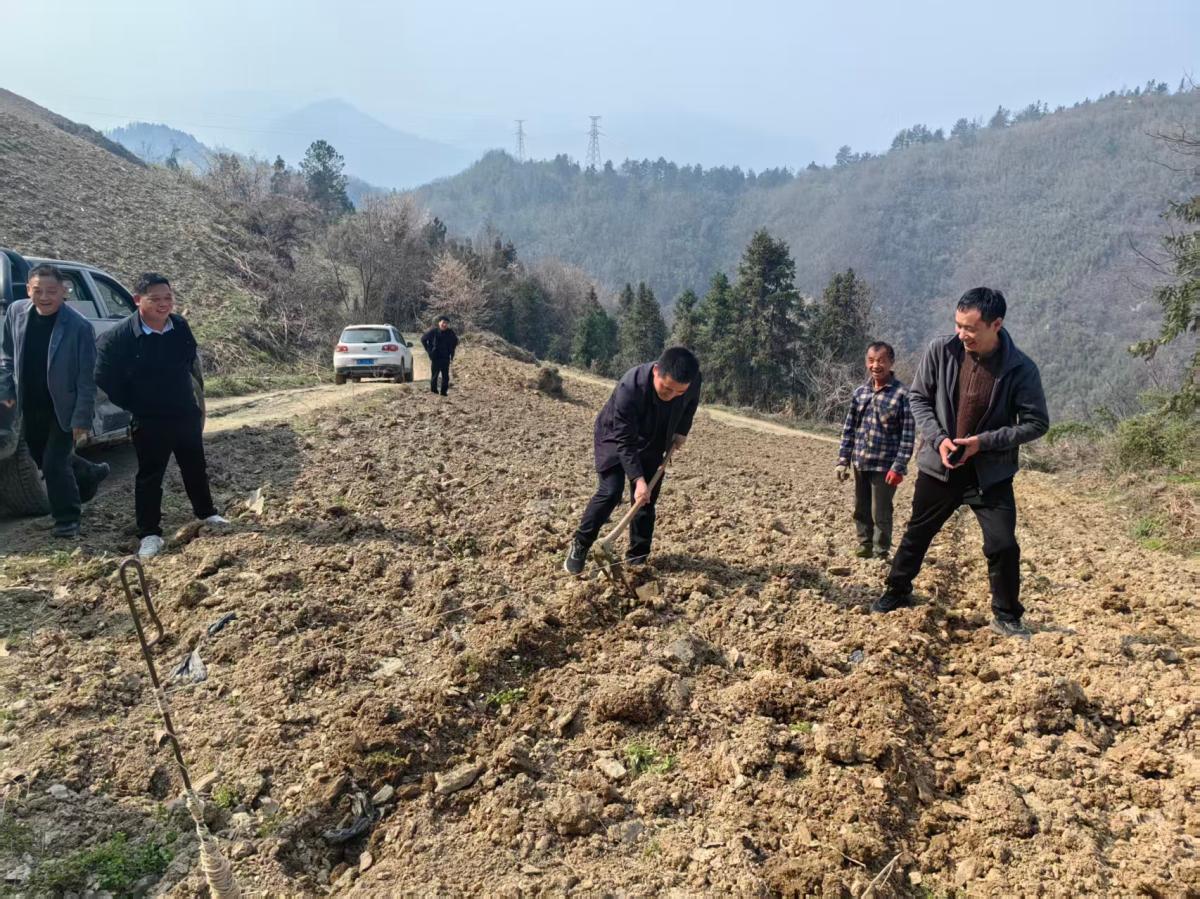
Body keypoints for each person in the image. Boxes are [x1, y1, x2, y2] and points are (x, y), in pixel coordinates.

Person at [873, 288, 1049, 638]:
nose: (961, 334)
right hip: (941, 466)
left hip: (990, 473)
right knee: (918, 533)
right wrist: (939, 440)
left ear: (996, 325)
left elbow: (1036, 423)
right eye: (958, 325)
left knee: (1003, 545)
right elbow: (919, 399)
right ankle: (897, 589)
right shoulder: (941, 350)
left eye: (970, 328)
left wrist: (982, 443)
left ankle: (1007, 616)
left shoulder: (1020, 368)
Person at [95, 272, 227, 558]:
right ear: (137, 300)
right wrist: (136, 403)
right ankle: (149, 534)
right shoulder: (119, 337)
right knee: (150, 475)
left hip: (184, 411)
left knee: (195, 466)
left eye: (168, 297)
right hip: (149, 418)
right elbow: (104, 376)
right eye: (155, 299)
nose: (163, 304)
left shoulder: (179, 326)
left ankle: (206, 513)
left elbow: (189, 359)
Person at [563, 346, 701, 574]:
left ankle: (637, 558)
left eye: (679, 392)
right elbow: (625, 441)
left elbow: (691, 403)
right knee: (611, 491)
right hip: (616, 436)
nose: (672, 395)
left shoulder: (691, 380)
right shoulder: (630, 387)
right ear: (656, 371)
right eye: (667, 389)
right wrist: (638, 479)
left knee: (646, 501)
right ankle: (581, 544)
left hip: (655, 436)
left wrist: (682, 430)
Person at [0, 265, 110, 536]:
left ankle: (67, 520)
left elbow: (87, 377)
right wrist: (6, 391)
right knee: (41, 457)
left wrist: (82, 417)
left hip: (64, 407)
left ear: (64, 292)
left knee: (54, 464)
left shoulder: (78, 327)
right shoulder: (15, 313)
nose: (45, 297)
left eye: (51, 291)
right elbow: (7, 356)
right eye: (38, 291)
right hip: (30, 403)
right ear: (28, 290)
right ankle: (88, 472)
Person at [836, 341, 915, 559]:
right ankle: (864, 544)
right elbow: (849, 428)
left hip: (885, 465)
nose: (875, 365)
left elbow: (908, 436)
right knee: (861, 507)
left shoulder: (902, 395)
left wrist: (899, 466)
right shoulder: (860, 393)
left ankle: (881, 550)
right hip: (861, 461)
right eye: (871, 360)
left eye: (881, 361)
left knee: (880, 510)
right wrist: (843, 460)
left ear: (891, 362)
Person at [421, 316, 458, 395]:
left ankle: (443, 392)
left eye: (446, 323)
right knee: (435, 375)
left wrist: (451, 351)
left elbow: (455, 341)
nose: (444, 325)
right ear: (439, 323)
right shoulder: (433, 331)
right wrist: (429, 350)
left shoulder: (450, 332)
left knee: (445, 376)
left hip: (445, 357)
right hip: (435, 356)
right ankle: (434, 391)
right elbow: (423, 339)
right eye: (443, 322)